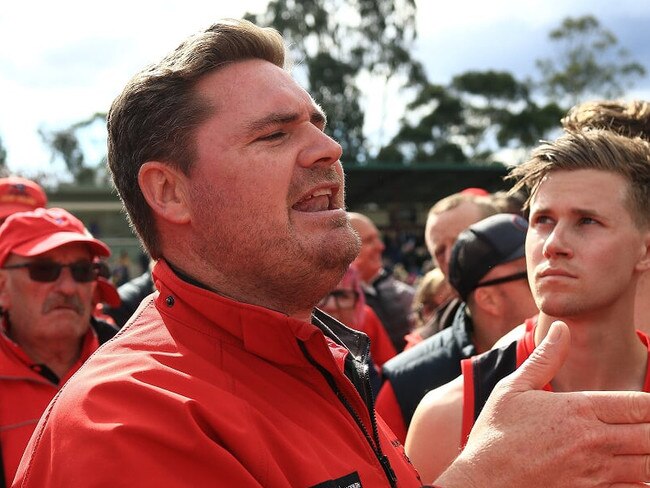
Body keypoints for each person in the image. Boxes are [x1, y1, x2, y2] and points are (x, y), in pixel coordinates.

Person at [13, 20, 650, 488]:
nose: (329, 149)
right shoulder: (127, 417)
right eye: (274, 134)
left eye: (317, 124)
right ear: (170, 191)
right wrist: (486, 479)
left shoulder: (323, 366)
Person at [405, 128, 650, 484]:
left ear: (644, 250)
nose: (553, 244)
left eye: (587, 221)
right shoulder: (449, 414)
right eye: (542, 221)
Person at [376, 213, 537, 444]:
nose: (544, 277)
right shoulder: (407, 384)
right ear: (488, 299)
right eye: (528, 273)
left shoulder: (577, 346)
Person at [0, 207, 117, 485]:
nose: (67, 287)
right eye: (44, 269)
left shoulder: (138, 368)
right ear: (2, 288)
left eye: (82, 271)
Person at [412, 192, 499, 342]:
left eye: (461, 242)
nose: (450, 258)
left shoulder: (549, 312)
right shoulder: (422, 350)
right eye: (439, 251)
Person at [348, 212, 415, 352]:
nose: (381, 246)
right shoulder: (334, 303)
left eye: (377, 238)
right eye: (369, 240)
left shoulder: (395, 290)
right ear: (345, 249)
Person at [317, 266, 397, 369]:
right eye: (322, 294)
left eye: (343, 296)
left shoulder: (366, 316)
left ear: (358, 300)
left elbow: (390, 368)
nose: (331, 305)